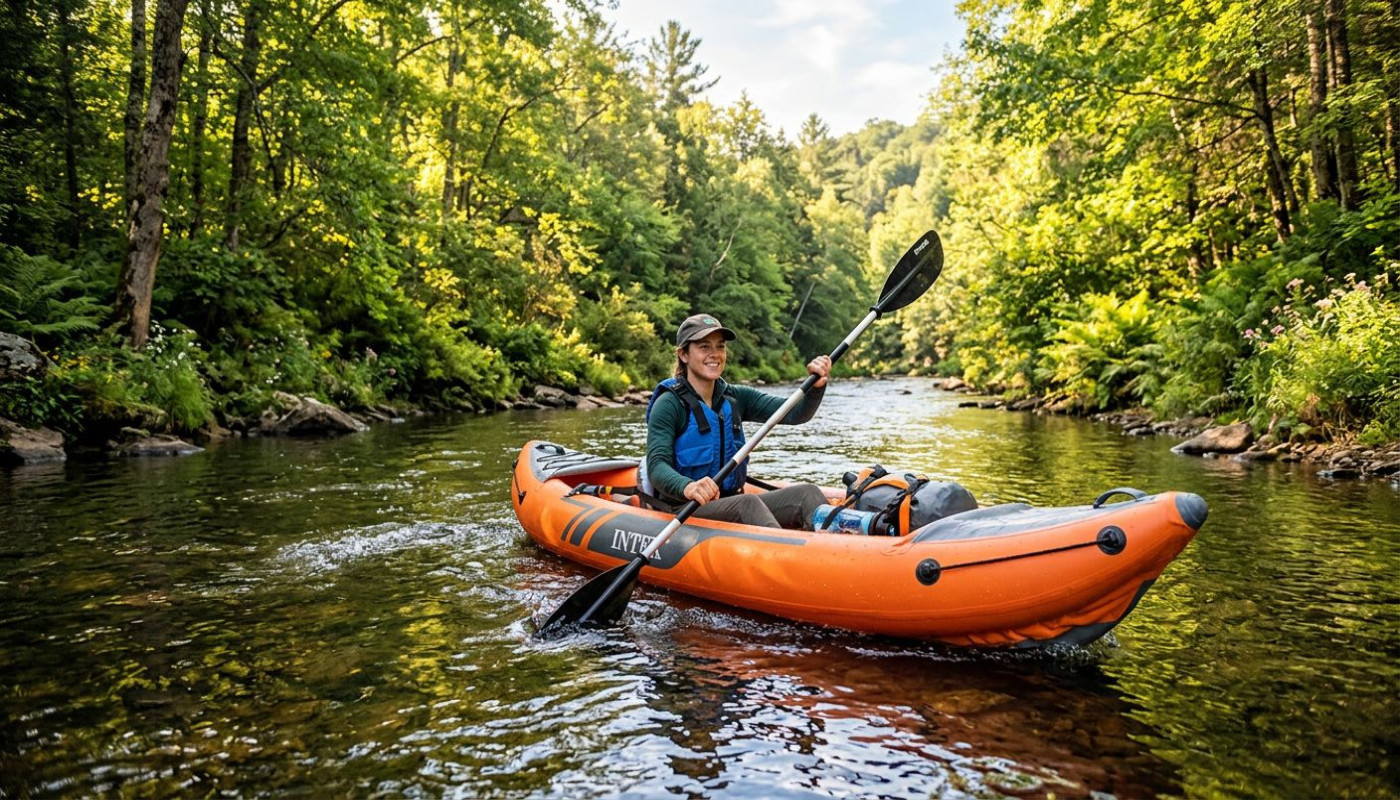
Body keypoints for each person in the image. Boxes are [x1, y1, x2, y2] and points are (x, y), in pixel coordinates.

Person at [642, 313, 831, 529]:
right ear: (684, 354)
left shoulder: (735, 397)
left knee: (808, 493)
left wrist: (816, 386)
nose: (715, 354)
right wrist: (689, 487)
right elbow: (656, 466)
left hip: (730, 500)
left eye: (720, 347)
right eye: (704, 347)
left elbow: (796, 412)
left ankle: (836, 547)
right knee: (747, 504)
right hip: (685, 508)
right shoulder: (669, 404)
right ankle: (788, 558)